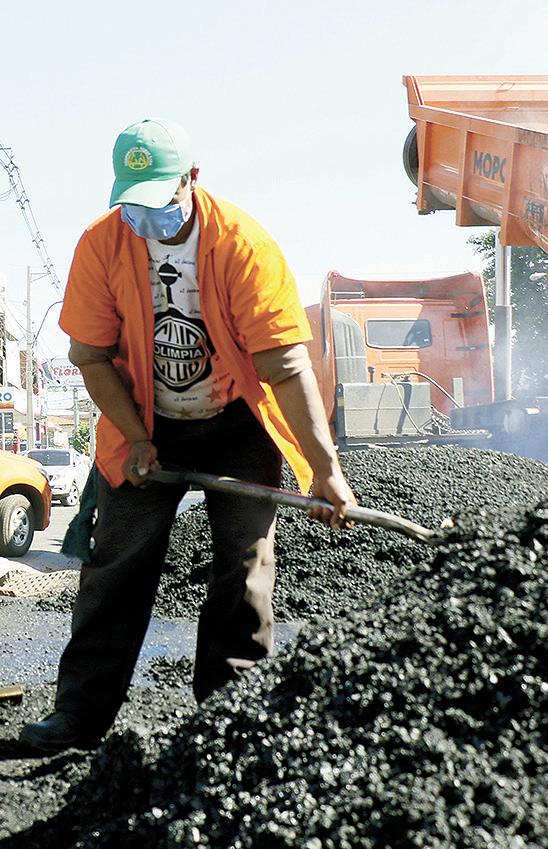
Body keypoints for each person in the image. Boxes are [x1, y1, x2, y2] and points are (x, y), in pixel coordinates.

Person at [21, 118, 357, 753]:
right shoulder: (101, 243)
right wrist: (136, 438)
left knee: (244, 564)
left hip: (238, 422)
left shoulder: (242, 245)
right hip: (145, 420)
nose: (145, 219)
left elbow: (285, 366)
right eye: (133, 205)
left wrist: (324, 469)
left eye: (158, 200)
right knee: (116, 563)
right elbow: (90, 355)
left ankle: (231, 718)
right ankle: (80, 716)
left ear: (192, 179)